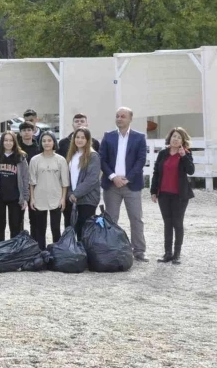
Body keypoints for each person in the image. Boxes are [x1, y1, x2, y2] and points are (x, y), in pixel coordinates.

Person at [100, 107, 148, 261]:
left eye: (123, 116)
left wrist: (128, 178)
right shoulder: (108, 136)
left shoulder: (139, 137)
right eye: (117, 116)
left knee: (136, 218)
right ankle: (110, 249)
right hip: (112, 185)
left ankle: (139, 251)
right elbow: (102, 159)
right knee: (111, 219)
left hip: (131, 185)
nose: (119, 119)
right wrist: (113, 177)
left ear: (130, 119)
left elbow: (141, 160)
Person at [150, 127, 194, 265]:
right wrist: (153, 191)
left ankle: (177, 254)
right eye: (174, 136)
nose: (176, 139)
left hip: (180, 195)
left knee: (177, 223)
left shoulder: (186, 153)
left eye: (179, 137)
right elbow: (156, 172)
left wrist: (183, 156)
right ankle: (167, 253)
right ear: (170, 138)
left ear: (183, 141)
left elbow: (191, 171)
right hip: (164, 194)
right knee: (167, 223)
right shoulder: (163, 153)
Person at [29, 132, 69, 250]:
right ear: (41, 143)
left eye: (49, 140)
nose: (47, 143)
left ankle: (56, 252)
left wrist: (63, 198)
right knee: (40, 229)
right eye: (44, 141)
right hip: (39, 197)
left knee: (55, 228)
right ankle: (42, 253)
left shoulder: (60, 160)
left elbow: (64, 182)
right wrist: (32, 198)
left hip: (56, 197)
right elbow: (32, 182)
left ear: (54, 142)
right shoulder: (35, 160)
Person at [0, 131, 29, 243]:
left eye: (11, 140)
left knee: (15, 226)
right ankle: (0, 250)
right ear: (2, 142)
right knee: (0, 226)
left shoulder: (20, 157)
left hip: (16, 198)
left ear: (14, 142)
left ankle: (14, 253)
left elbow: (25, 178)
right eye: (5, 140)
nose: (8, 143)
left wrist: (25, 198)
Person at [65, 127, 101, 239]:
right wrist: (70, 193)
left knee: (84, 231)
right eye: (77, 137)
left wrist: (76, 194)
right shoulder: (72, 155)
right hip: (72, 198)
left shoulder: (93, 156)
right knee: (71, 229)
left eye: (82, 138)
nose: (79, 140)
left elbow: (92, 179)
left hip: (87, 199)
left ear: (88, 140)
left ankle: (86, 255)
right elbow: (68, 177)